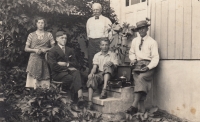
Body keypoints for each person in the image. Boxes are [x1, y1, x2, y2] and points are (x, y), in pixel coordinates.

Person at [126, 20, 159, 114]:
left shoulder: (152, 42)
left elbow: (155, 58)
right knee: (137, 79)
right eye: (139, 29)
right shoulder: (135, 41)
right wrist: (133, 59)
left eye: (143, 28)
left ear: (147, 29)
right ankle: (142, 109)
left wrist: (148, 67)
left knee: (141, 78)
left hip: (149, 66)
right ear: (137, 30)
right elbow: (132, 53)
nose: (141, 30)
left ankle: (134, 105)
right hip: (138, 65)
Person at [47, 31, 84, 111]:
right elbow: (53, 66)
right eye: (62, 38)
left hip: (69, 71)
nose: (64, 40)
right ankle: (76, 101)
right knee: (73, 78)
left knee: (76, 73)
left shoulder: (70, 50)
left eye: (65, 38)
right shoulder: (52, 51)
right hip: (58, 74)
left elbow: (76, 64)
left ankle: (76, 100)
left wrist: (66, 64)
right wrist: (67, 68)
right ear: (57, 39)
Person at [86, 39, 119, 110]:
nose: (104, 47)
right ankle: (90, 102)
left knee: (107, 66)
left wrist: (112, 64)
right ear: (100, 46)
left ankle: (104, 90)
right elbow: (94, 67)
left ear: (109, 46)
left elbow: (116, 66)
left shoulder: (113, 54)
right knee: (91, 78)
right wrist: (91, 73)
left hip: (111, 74)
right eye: (103, 45)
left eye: (106, 45)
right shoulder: (97, 55)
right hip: (101, 73)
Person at [25, 17, 55, 89]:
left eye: (42, 23)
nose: (41, 24)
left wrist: (46, 49)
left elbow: (54, 48)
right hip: (33, 59)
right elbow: (26, 48)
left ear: (45, 24)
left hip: (44, 59)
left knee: (44, 82)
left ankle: (44, 97)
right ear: (36, 24)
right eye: (39, 23)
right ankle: (33, 96)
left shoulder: (49, 35)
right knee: (33, 83)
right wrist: (34, 50)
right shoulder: (31, 35)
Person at [86, 2, 112, 71]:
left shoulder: (106, 20)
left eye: (97, 9)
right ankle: (91, 79)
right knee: (91, 60)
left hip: (102, 42)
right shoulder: (89, 20)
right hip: (91, 42)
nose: (95, 11)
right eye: (94, 10)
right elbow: (88, 33)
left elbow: (110, 34)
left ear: (101, 10)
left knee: (102, 59)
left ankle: (102, 77)